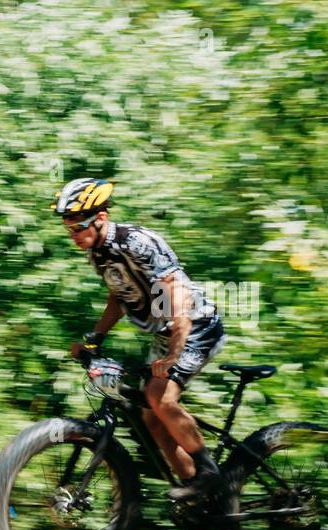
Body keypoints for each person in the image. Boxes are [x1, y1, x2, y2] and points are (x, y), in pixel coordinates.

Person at [55, 178, 227, 500]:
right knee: (152, 418)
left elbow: (174, 290)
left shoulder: (136, 242)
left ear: (101, 218)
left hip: (195, 325)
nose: (74, 237)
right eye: (70, 231)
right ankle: (202, 499)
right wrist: (94, 340)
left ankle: (210, 474)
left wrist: (175, 351)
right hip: (164, 334)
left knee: (160, 396)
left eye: (79, 228)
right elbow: (118, 298)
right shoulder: (99, 253)